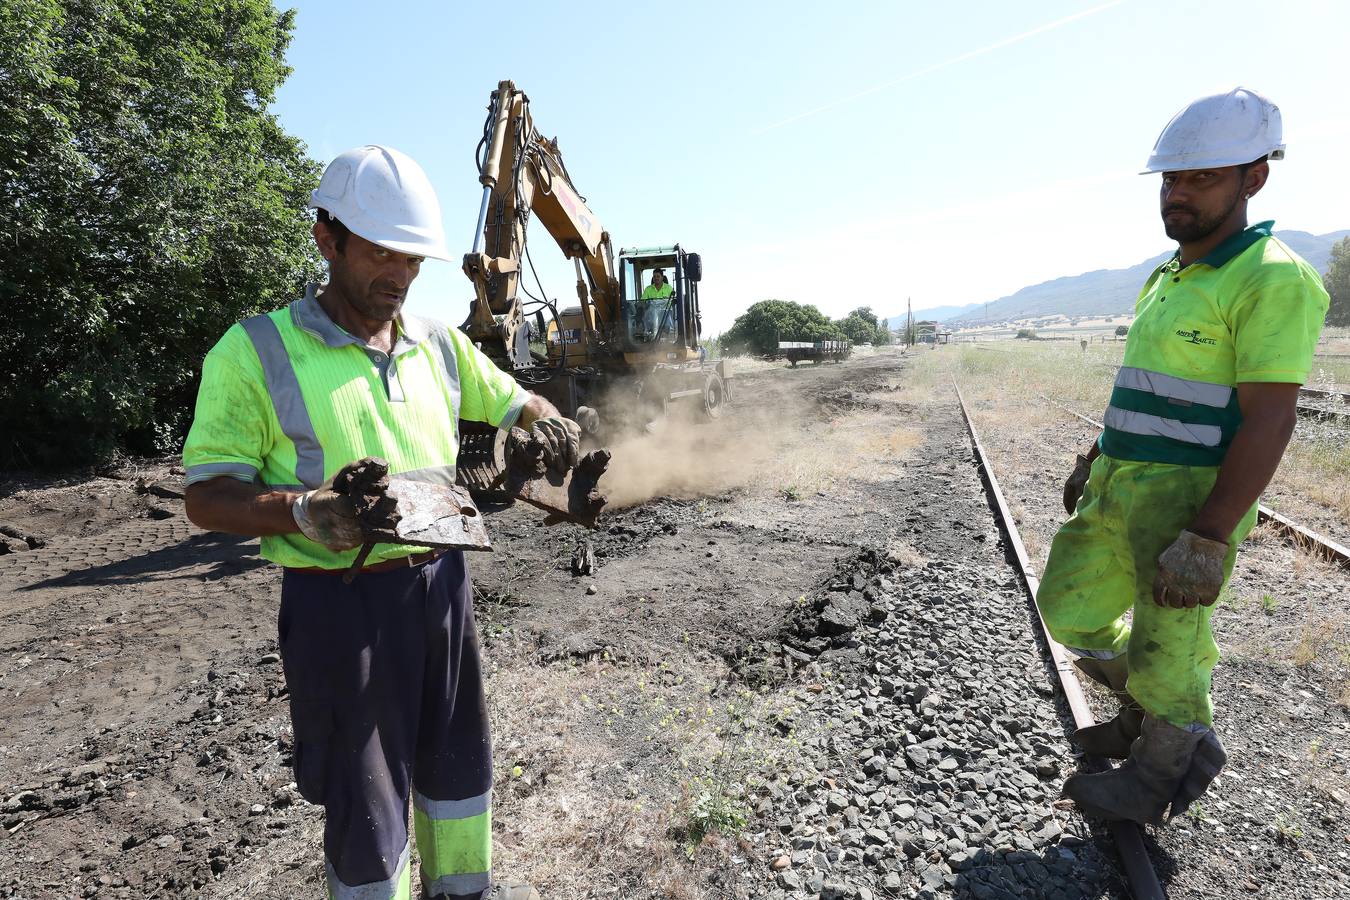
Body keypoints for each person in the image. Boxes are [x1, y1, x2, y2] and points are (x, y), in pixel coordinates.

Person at [182, 145, 576, 899]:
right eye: (381, 254)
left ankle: (465, 890)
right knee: (366, 803)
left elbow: (514, 398)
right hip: (341, 609)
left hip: (443, 586)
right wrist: (303, 510)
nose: (398, 276)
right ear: (326, 239)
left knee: (458, 764)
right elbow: (207, 495)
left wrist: (545, 419)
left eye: (412, 261)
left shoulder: (438, 343)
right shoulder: (256, 351)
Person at [1039, 88, 1329, 826]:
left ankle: (1158, 769)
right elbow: (1141, 385)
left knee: (1172, 638)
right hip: (1119, 481)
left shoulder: (1272, 276)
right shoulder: (1167, 276)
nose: (1179, 193)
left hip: (1189, 492)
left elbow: (1271, 415)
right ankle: (1151, 714)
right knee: (1067, 605)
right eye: (1172, 179)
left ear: (1253, 179)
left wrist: (1209, 533)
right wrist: (1093, 454)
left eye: (1202, 178)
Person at [636, 269, 674, 338]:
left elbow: (673, 303)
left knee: (667, 319)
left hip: (666, 314)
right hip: (651, 314)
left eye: (658, 276)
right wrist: (643, 304)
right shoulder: (648, 289)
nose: (656, 278)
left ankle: (667, 334)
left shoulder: (669, 288)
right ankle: (650, 335)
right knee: (649, 314)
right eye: (654, 276)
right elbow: (642, 302)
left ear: (662, 277)